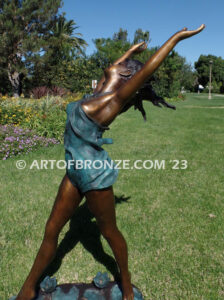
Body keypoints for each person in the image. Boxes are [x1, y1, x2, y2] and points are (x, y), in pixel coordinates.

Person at [14, 25, 205, 300]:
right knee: (52, 229)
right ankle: (27, 289)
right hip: (75, 172)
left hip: (93, 176)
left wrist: (174, 38)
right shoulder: (99, 91)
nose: (113, 66)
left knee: (109, 231)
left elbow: (146, 70)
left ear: (129, 77)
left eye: (122, 65)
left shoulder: (113, 101)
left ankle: (126, 285)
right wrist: (129, 51)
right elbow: (113, 67)